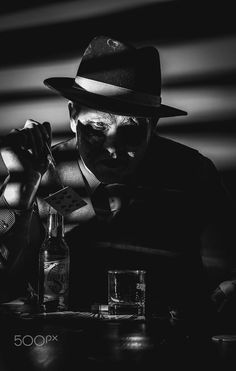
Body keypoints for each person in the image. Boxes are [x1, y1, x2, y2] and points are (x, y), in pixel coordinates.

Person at [0, 35, 235, 329]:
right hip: (58, 344)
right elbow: (4, 281)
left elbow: (225, 268)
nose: (112, 147)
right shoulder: (42, 172)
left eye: (131, 131)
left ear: (154, 125)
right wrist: (19, 193)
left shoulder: (193, 173)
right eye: (97, 127)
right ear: (73, 115)